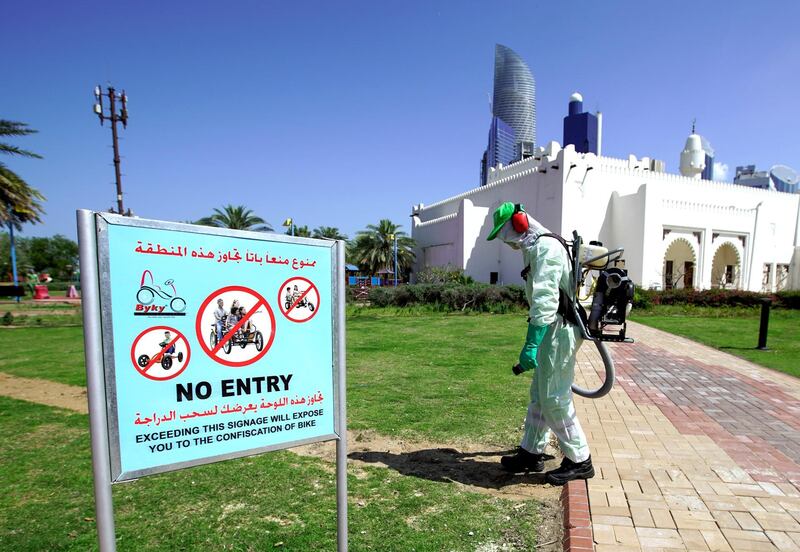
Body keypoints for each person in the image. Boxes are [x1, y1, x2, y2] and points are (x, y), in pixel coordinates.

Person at [486, 201, 594, 485]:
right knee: (540, 394)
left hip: (559, 329)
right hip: (553, 328)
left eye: (505, 233)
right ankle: (531, 452)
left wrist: (531, 344)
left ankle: (580, 459)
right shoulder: (535, 248)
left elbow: (546, 299)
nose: (506, 242)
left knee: (554, 397)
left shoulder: (546, 248)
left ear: (519, 224)